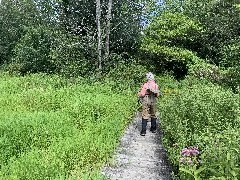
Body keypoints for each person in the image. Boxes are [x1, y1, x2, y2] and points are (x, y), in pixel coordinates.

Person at [138, 72, 160, 136]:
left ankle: (143, 131)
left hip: (146, 99)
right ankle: (153, 129)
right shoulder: (156, 85)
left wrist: (138, 93)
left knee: (145, 114)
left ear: (147, 78)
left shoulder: (145, 85)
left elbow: (142, 94)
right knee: (153, 114)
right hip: (153, 99)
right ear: (153, 78)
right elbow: (157, 95)